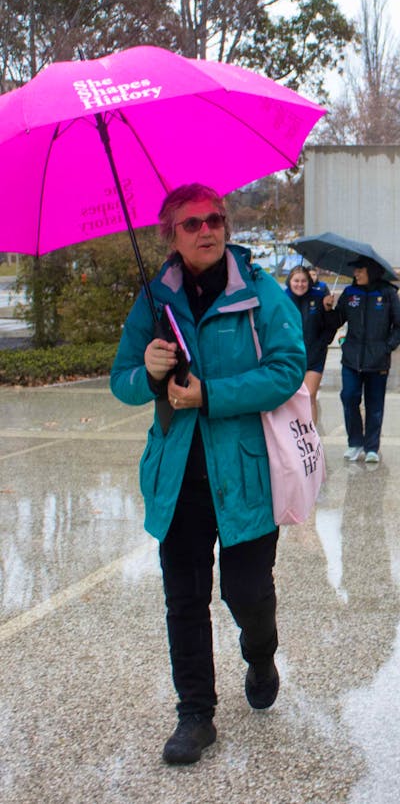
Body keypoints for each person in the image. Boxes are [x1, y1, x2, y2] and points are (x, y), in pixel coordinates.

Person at [110, 183, 306, 765]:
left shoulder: (258, 294)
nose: (208, 230)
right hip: (179, 482)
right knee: (185, 601)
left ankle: (261, 652)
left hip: (246, 476)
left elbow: (288, 368)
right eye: (192, 223)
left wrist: (212, 394)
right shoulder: (153, 300)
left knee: (247, 593)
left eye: (215, 219)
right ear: (169, 234)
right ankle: (195, 714)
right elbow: (120, 380)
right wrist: (146, 371)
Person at [323, 256, 400, 463]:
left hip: (378, 362)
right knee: (349, 397)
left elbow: (398, 325)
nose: (355, 274)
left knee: (375, 404)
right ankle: (355, 442)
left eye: (359, 270)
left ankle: (371, 447)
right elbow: (338, 320)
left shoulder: (388, 293)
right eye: (355, 270)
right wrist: (329, 309)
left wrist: (387, 347)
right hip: (351, 359)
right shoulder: (350, 293)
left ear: (371, 271)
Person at [285, 265, 336, 424]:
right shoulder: (282, 299)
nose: (300, 284)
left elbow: (329, 328)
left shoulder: (319, 297)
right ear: (289, 281)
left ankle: (312, 436)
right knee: (291, 398)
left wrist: (328, 309)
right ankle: (294, 433)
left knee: (309, 395)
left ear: (309, 282)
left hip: (314, 355)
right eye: (296, 281)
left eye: (303, 281)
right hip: (290, 356)